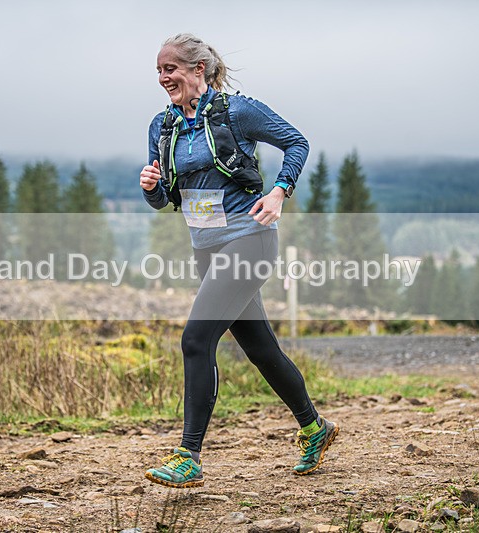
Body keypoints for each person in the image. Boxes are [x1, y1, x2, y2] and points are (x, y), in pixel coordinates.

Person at [139, 33, 338, 488]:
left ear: (198, 70)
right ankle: (315, 428)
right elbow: (163, 199)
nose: (163, 77)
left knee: (195, 339)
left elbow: (297, 142)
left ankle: (188, 454)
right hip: (206, 248)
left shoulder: (238, 112)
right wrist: (151, 186)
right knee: (261, 350)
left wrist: (279, 192)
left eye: (170, 68)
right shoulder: (162, 126)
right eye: (158, 71)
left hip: (251, 241)